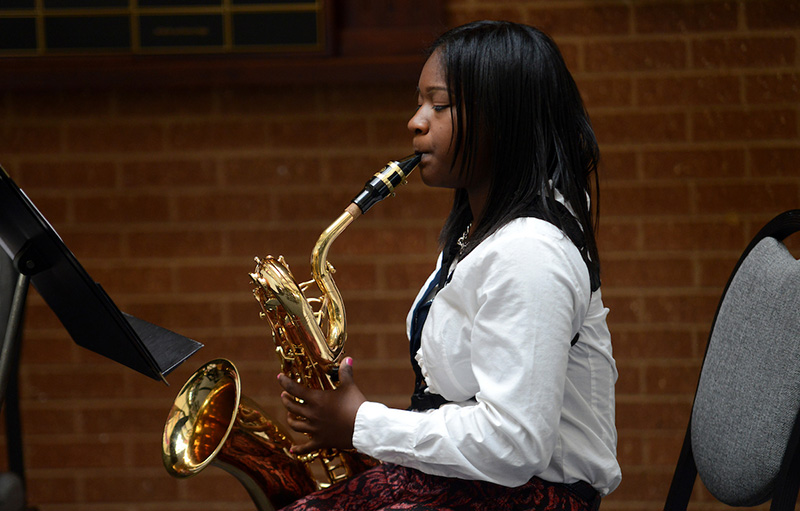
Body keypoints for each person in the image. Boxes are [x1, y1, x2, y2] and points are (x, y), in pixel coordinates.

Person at [277, 20, 621, 511]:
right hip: (481, 488)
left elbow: (515, 443)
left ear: (503, 118)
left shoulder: (530, 253)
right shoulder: (479, 234)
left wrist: (363, 423)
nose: (416, 122)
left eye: (438, 105)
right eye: (420, 104)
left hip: (530, 498)